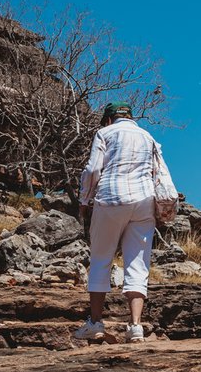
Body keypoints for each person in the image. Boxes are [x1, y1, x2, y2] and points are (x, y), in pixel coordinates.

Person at [75, 103, 178, 343]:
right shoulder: (147, 137)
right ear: (130, 117)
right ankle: (135, 327)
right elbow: (158, 172)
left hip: (111, 198)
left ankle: (95, 323)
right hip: (143, 202)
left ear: (109, 118)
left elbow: (92, 169)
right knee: (138, 263)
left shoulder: (105, 133)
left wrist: (84, 199)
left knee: (101, 259)